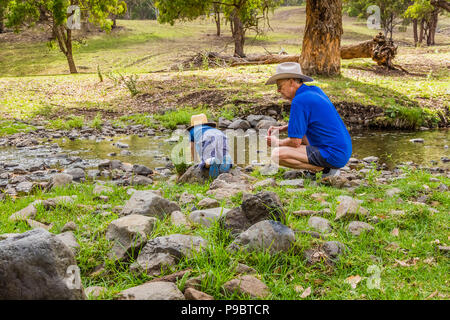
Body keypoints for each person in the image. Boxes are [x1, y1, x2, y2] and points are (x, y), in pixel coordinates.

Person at [265, 62, 352, 178]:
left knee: (277, 154)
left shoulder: (299, 101)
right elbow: (311, 120)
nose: (278, 91)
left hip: (333, 154)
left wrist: (277, 143)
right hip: (342, 151)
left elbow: (295, 142)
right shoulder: (315, 91)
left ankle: (322, 169)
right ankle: (323, 167)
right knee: (303, 133)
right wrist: (282, 128)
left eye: (280, 86)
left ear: (291, 82)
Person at [187, 113, 233, 179]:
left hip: (206, 137)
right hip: (221, 135)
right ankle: (225, 158)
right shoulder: (210, 128)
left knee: (206, 160)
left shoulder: (192, 130)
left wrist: (194, 160)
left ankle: (211, 160)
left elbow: (192, 147)